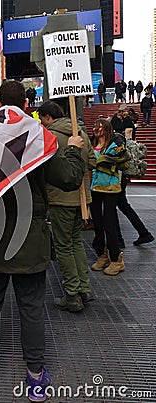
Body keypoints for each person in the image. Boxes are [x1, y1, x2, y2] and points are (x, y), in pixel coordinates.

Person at [0, 81, 85, 403]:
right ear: (28, 103)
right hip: (30, 238)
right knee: (32, 309)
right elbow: (68, 178)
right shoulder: (40, 135)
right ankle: (36, 379)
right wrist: (75, 151)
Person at [37, 101, 95, 312]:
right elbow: (91, 162)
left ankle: (72, 294)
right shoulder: (80, 133)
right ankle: (84, 288)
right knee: (76, 242)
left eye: (42, 119)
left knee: (63, 246)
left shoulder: (50, 137)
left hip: (60, 199)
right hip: (81, 199)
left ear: (48, 117)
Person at [90, 118, 130, 276]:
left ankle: (116, 259)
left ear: (107, 129)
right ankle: (102, 254)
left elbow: (123, 162)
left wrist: (102, 163)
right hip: (95, 188)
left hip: (110, 189)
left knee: (109, 224)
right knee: (97, 224)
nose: (97, 130)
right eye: (95, 127)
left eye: (100, 127)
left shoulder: (114, 146)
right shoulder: (93, 145)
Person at [116, 175, 154, 248]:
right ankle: (143, 233)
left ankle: (118, 239)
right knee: (124, 206)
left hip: (114, 179)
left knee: (112, 209)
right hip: (120, 178)